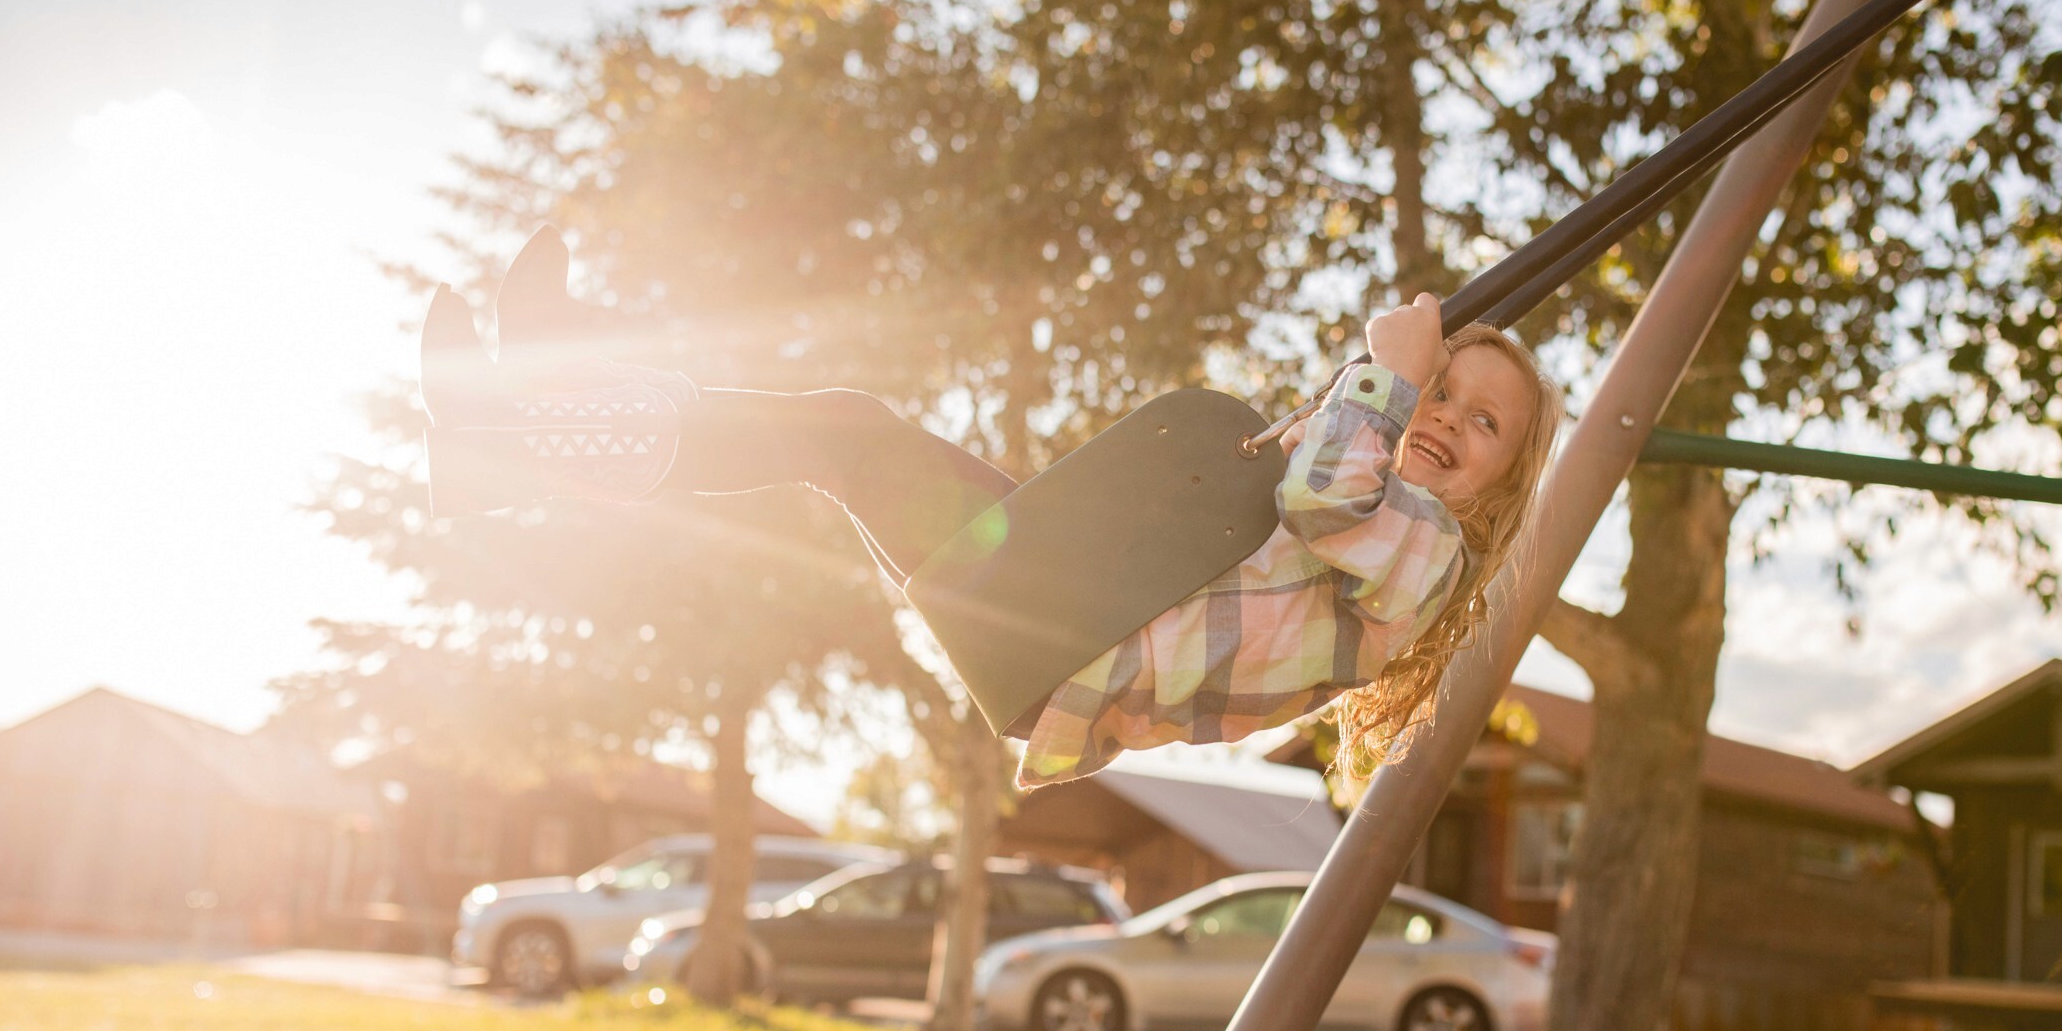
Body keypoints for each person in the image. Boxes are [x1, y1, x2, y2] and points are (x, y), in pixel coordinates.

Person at [423, 228, 1562, 789]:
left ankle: (542, 408)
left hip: (1086, 640)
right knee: (844, 434)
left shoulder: (1429, 556)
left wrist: (1391, 372)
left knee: (848, 435)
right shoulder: (1371, 475)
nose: (1448, 417)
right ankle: (525, 430)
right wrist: (1376, 393)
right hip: (1082, 609)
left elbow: (1324, 497)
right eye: (1448, 390)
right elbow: (1307, 492)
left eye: (1484, 422)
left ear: (1503, 483)